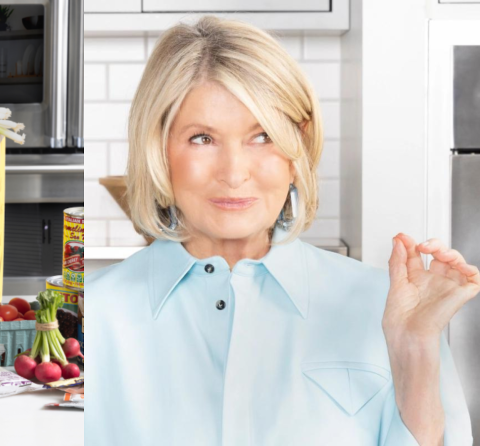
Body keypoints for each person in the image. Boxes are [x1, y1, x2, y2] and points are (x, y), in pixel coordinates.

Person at [85, 16, 476, 446]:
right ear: (158, 147)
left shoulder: (389, 308)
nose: (234, 174)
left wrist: (416, 349)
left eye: (263, 136)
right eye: (202, 138)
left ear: (298, 150)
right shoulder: (91, 317)